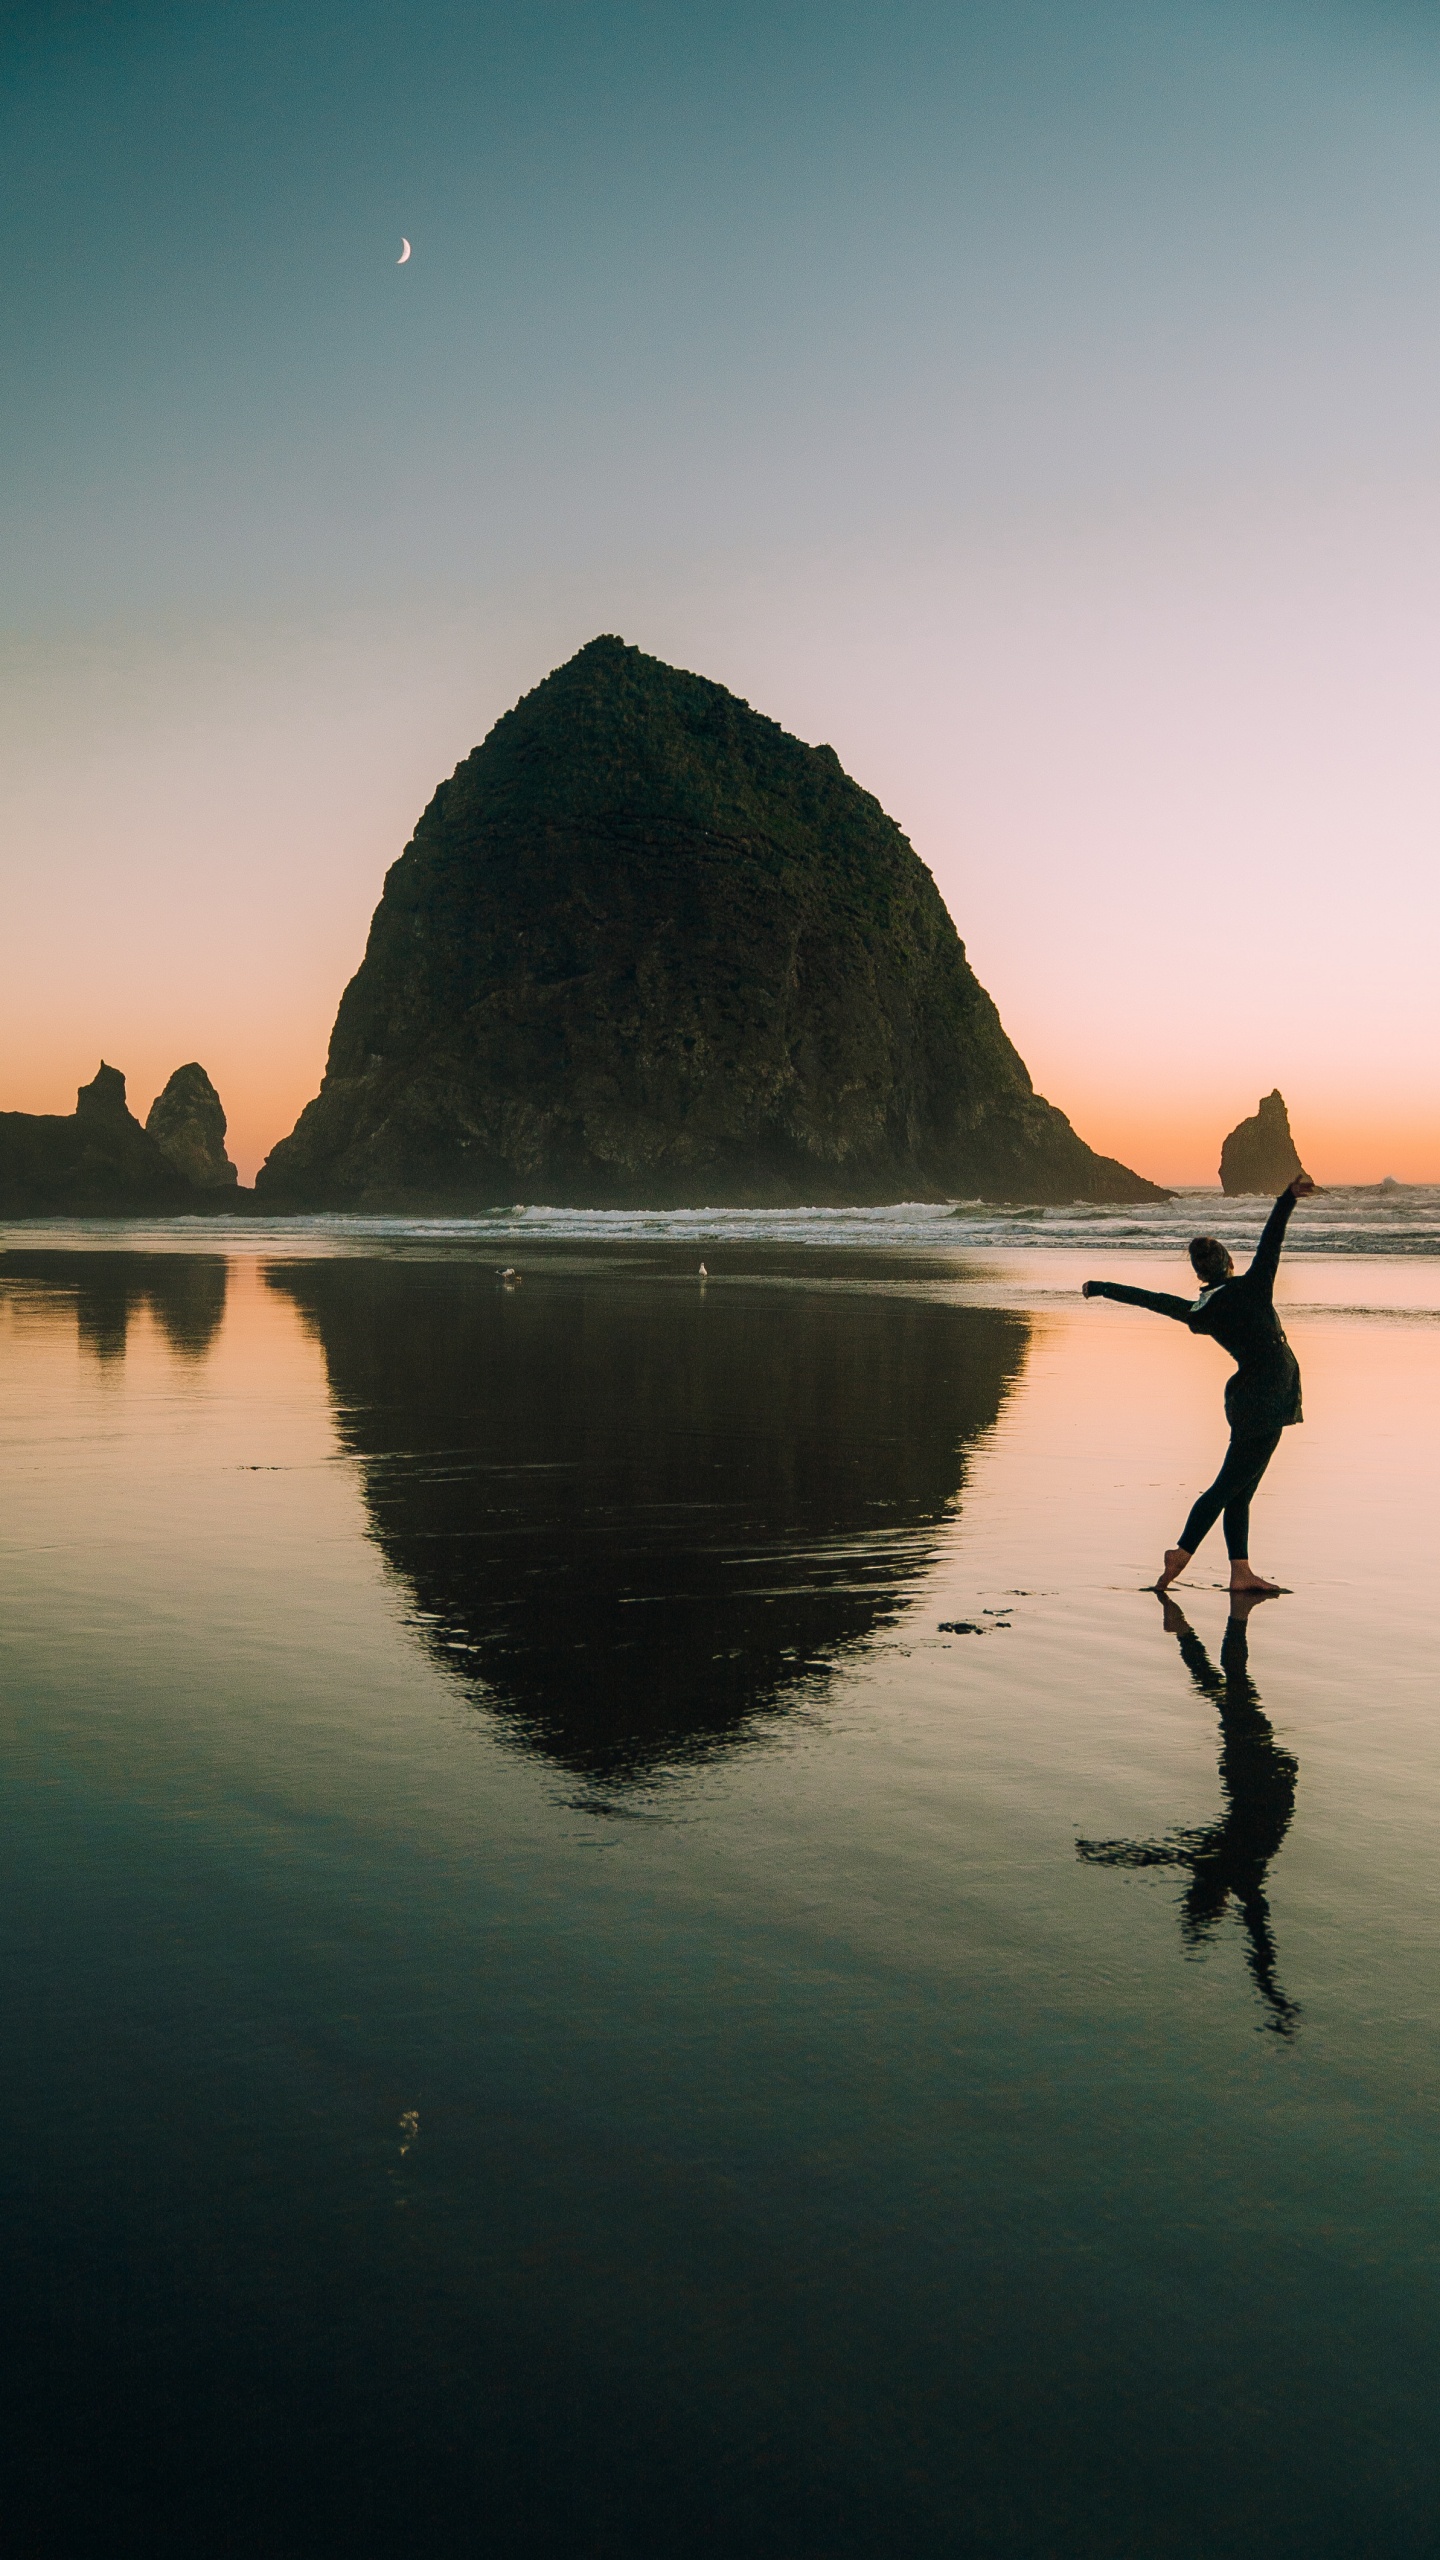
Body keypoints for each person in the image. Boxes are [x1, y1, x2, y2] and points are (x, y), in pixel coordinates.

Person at [1082, 1174, 1316, 1594]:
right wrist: (1288, 1197)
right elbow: (1272, 1239)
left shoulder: (1200, 1310)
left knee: (1239, 1492)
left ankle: (1240, 1572)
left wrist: (1102, 1287)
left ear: (1201, 1271)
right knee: (1227, 1487)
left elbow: (1151, 1299)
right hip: (1267, 1399)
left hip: (1250, 1399)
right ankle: (1182, 1551)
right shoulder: (1254, 1285)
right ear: (1229, 1262)